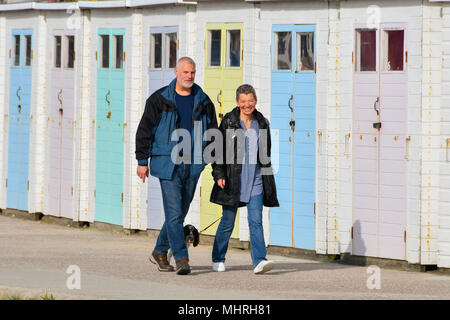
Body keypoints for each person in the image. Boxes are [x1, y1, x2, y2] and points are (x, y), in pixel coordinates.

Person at [135, 57, 218, 275]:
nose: (189, 76)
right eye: (185, 72)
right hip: (168, 163)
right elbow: (144, 131)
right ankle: (182, 258)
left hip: (193, 163)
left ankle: (160, 251)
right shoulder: (159, 99)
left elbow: (213, 134)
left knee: (179, 212)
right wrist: (142, 162)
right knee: (173, 213)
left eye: (192, 72)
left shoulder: (204, 101)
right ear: (176, 72)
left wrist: (213, 163)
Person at [210, 84, 279, 274]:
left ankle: (259, 261)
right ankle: (218, 257)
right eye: (243, 101)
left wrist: (268, 181)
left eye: (250, 101)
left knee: (255, 221)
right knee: (228, 222)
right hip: (233, 180)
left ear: (255, 101)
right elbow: (217, 151)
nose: (247, 105)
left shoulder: (262, 122)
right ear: (238, 102)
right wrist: (219, 175)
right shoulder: (229, 122)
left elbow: (266, 154)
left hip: (255, 180)